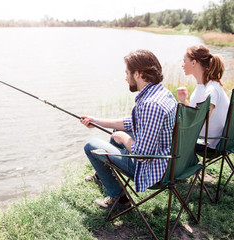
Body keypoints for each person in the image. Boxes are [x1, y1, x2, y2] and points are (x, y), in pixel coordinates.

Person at [81, 49, 177, 209]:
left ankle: (118, 198)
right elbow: (132, 123)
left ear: (138, 74)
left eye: (127, 73)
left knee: (91, 146)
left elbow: (142, 155)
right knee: (117, 133)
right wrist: (97, 121)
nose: (125, 78)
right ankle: (103, 176)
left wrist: (124, 139)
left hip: (152, 169)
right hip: (168, 161)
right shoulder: (162, 93)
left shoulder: (150, 105)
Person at [177, 45, 229, 152]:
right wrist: (184, 100)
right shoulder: (205, 86)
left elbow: (198, 122)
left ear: (193, 62)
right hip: (207, 140)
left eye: (184, 61)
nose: (182, 65)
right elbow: (197, 116)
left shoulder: (211, 90)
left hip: (208, 144)